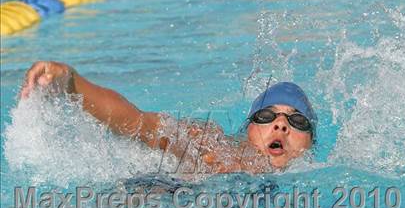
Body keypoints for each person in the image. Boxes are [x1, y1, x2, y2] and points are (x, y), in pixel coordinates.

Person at [20, 61, 317, 175]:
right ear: (248, 129)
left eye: (297, 121)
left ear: (311, 142)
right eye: (266, 116)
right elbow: (138, 123)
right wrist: (72, 83)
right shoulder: (212, 144)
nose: (280, 124)